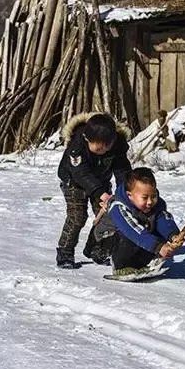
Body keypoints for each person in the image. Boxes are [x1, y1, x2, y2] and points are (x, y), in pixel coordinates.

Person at [56, 112, 132, 269]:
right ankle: (65, 253)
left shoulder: (117, 147)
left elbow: (122, 171)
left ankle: (98, 250)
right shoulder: (77, 146)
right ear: (87, 139)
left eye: (107, 145)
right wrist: (99, 192)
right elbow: (81, 173)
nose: (103, 149)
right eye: (98, 146)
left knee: (107, 216)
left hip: (101, 183)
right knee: (78, 217)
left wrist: (124, 192)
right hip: (74, 182)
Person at [95, 167, 181, 273]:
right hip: (105, 242)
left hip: (136, 237)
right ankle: (121, 266)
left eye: (153, 196)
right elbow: (132, 230)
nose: (150, 202)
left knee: (155, 230)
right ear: (129, 195)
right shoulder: (118, 206)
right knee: (128, 235)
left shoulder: (153, 204)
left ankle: (141, 262)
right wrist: (158, 247)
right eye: (145, 198)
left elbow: (162, 218)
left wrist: (172, 235)